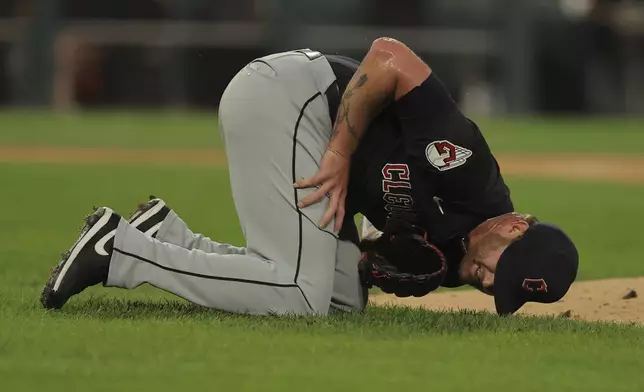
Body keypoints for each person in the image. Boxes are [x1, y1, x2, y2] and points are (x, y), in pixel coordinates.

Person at [40, 39, 578, 316]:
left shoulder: (461, 262)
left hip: (304, 126)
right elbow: (390, 56)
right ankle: (122, 252)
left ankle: (168, 237)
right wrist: (342, 151)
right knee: (299, 294)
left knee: (342, 297)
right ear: (513, 226)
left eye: (500, 289)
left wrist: (371, 260)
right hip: (293, 96)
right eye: (498, 271)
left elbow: (377, 251)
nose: (487, 282)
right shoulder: (466, 169)